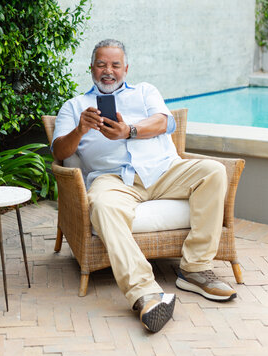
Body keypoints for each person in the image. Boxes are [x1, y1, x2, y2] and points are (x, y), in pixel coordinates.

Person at [51, 39, 237, 333]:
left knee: (213, 171)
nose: (108, 71)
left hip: (164, 172)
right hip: (112, 179)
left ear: (126, 68)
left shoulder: (145, 92)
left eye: (115, 65)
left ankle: (195, 269)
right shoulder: (74, 106)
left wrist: (130, 131)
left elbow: (164, 123)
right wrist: (80, 128)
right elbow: (59, 152)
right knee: (101, 205)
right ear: (91, 68)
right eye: (101, 64)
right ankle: (145, 293)